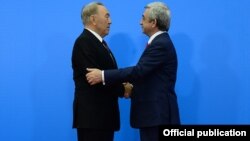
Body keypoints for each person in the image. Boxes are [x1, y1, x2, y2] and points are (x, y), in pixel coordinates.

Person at [86, 2, 180, 141]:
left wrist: (103, 75)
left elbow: (139, 71)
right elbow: (148, 76)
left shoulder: (161, 44)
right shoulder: (159, 42)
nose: (140, 22)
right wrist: (127, 88)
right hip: (154, 116)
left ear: (153, 22)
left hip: (158, 117)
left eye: (143, 18)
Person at [71, 2, 132, 141]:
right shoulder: (84, 42)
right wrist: (124, 90)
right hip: (93, 119)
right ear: (93, 19)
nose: (110, 21)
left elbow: (105, 76)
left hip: (102, 119)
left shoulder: (99, 43)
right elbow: (94, 79)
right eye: (107, 16)